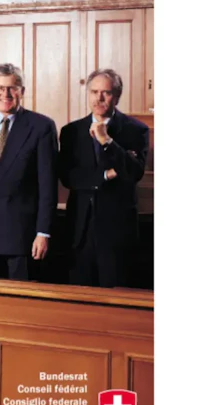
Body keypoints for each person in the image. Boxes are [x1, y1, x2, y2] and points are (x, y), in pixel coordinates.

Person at [59, 69, 149, 288]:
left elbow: (133, 173)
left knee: (116, 300)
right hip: (80, 230)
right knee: (79, 299)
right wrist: (106, 175)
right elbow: (69, 177)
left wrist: (107, 141)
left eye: (105, 93)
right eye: (94, 92)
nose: (99, 98)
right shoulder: (71, 131)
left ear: (116, 96)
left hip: (116, 233)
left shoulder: (136, 131)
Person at [0, 63, 58, 281]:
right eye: (0, 88)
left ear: (22, 91)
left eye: (12, 88)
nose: (6, 94)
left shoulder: (41, 127)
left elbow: (47, 186)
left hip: (22, 236)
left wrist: (43, 232)